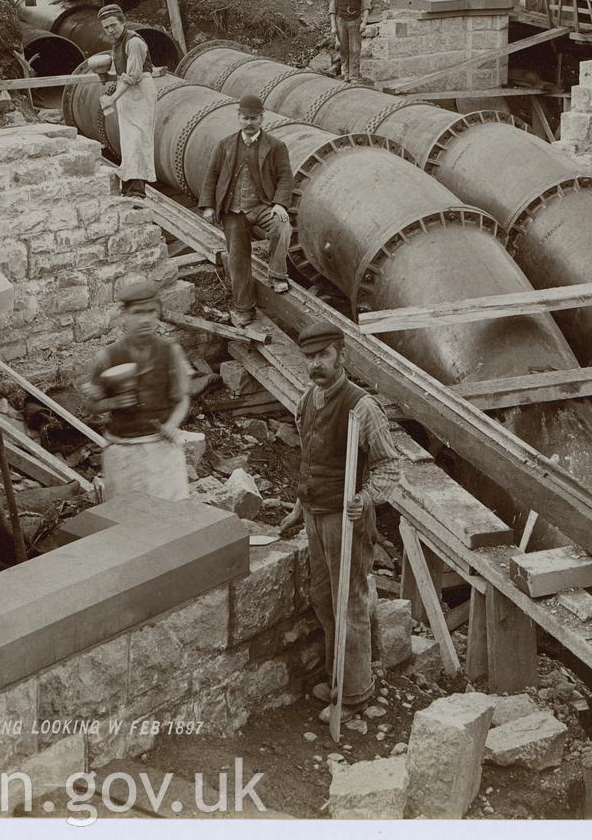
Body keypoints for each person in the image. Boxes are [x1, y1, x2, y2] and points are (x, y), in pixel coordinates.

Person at [276, 320, 402, 718]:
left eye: (324, 356)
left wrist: (365, 499)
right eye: (310, 357)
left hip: (346, 519)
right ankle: (339, 678)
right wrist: (299, 507)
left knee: (349, 602)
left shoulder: (362, 407)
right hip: (315, 514)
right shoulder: (307, 399)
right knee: (323, 598)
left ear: (341, 356)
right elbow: (310, 460)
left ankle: (355, 695)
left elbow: (389, 468)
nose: (316, 364)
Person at [81, 271, 191, 502]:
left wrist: (172, 425)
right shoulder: (108, 357)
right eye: (138, 313)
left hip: (161, 449)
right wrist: (111, 402)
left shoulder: (170, 352)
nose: (146, 320)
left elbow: (182, 399)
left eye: (151, 312)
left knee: (171, 518)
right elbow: (91, 406)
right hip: (124, 452)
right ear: (124, 316)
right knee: (127, 524)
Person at [200, 95, 292, 343]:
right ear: (238, 117)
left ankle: (277, 275)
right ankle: (244, 309)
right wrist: (208, 206)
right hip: (233, 210)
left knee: (282, 226)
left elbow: (285, 177)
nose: (249, 122)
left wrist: (280, 204)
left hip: (262, 206)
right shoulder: (225, 145)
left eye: (254, 118)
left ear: (263, 118)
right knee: (238, 260)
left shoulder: (275, 146)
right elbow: (212, 176)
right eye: (245, 118)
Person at [93, 4, 158, 198]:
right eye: (106, 27)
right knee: (128, 140)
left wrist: (112, 97)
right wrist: (108, 76)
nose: (110, 30)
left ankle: (138, 190)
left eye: (113, 25)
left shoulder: (134, 42)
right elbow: (122, 73)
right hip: (127, 93)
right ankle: (128, 185)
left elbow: (134, 75)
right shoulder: (117, 43)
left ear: (123, 22)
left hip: (140, 92)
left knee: (139, 139)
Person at [329, 0, 364, 82]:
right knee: (343, 48)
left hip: (355, 21)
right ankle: (346, 74)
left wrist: (364, 22)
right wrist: (333, 26)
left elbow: (366, 7)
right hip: (341, 22)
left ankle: (354, 76)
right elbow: (332, 10)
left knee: (355, 49)